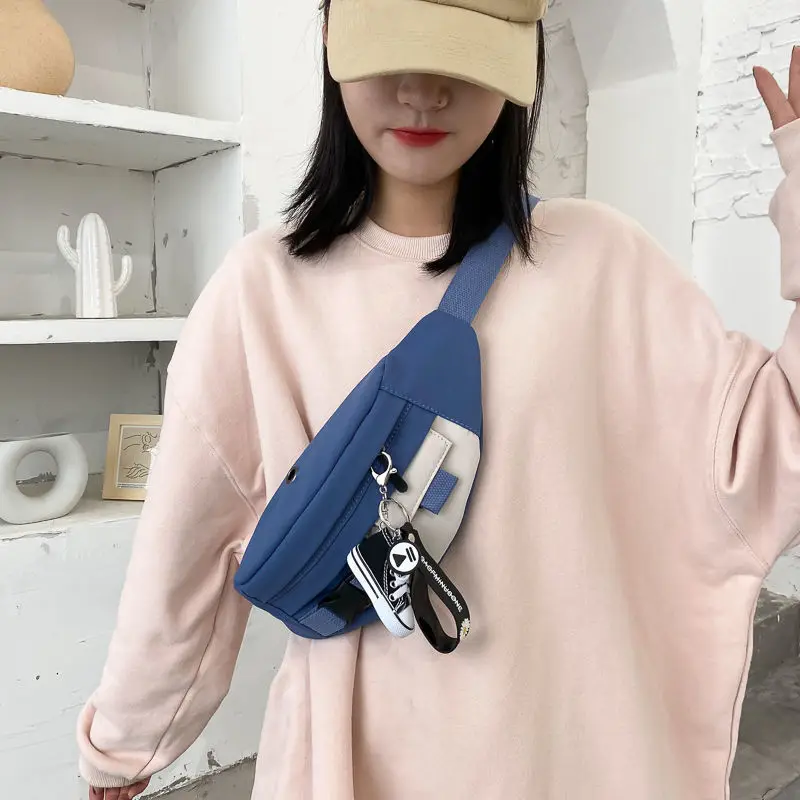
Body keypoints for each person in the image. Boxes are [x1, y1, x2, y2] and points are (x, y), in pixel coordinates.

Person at [78, 1, 800, 798]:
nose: (423, 91)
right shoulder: (261, 290)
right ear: (331, 35)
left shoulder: (601, 262)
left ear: (522, 57)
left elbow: (767, 453)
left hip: (553, 754)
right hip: (357, 762)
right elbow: (184, 546)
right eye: (395, 48)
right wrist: (127, 742)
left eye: (461, 54)